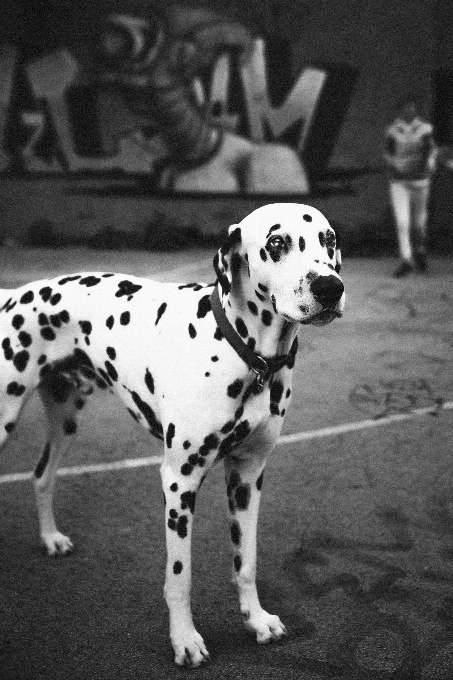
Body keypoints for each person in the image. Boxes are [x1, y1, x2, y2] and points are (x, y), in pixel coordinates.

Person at [383, 98, 438, 277]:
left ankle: (420, 251)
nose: (408, 110)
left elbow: (430, 151)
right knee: (402, 222)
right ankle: (406, 259)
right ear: (400, 110)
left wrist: (429, 164)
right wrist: (395, 166)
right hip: (399, 182)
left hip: (420, 181)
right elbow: (388, 154)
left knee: (419, 223)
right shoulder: (392, 130)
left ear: (416, 109)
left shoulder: (425, 128)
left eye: (411, 107)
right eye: (405, 107)